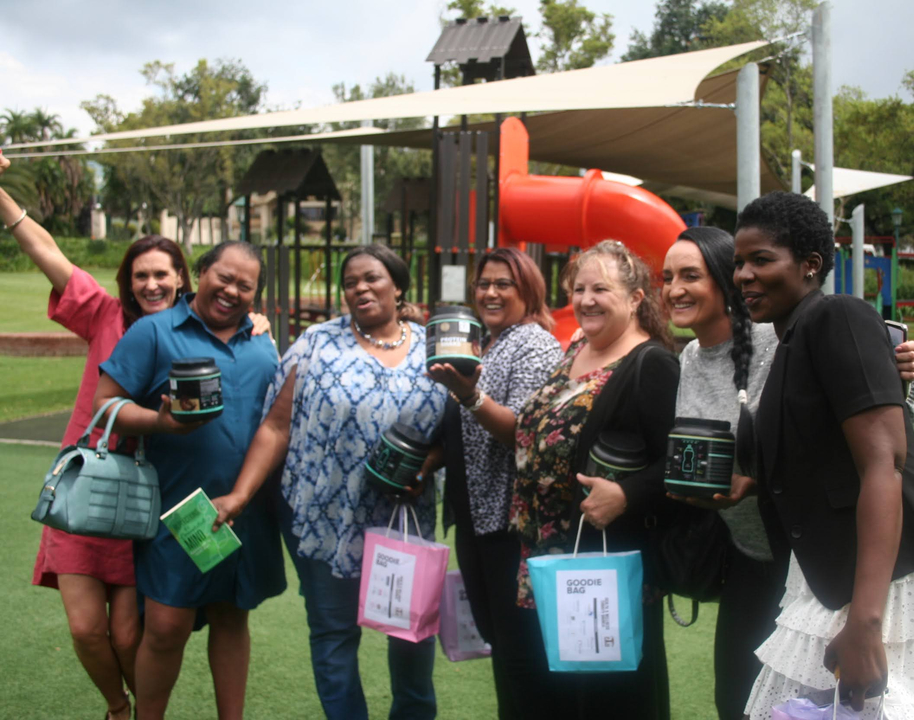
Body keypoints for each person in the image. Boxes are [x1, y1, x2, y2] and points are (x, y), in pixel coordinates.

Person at [2, 151, 258, 720]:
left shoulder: (201, 329)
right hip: (90, 482)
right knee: (86, 628)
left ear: (182, 278)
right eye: (140, 275)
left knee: (129, 632)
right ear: (127, 281)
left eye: (162, 274)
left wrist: (253, 322)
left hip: (151, 493)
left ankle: (143, 709)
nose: (151, 283)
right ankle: (120, 708)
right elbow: (45, 251)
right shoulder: (104, 314)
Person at [731, 192, 914, 719]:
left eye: (761, 259)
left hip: (897, 582)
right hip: (838, 578)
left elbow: (884, 462)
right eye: (738, 262)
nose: (743, 275)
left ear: (810, 265)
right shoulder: (790, 342)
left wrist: (866, 623)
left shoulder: (836, 317)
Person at [660, 227, 914, 720]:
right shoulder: (690, 358)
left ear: (726, 279)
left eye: (690, 275)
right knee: (735, 702)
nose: (675, 289)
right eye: (667, 277)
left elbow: (881, 425)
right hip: (748, 555)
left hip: (811, 560)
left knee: (808, 704)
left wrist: (899, 373)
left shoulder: (782, 337)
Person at [213, 244, 447, 720]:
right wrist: (241, 493)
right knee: (333, 634)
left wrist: (426, 466)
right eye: (350, 282)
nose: (360, 288)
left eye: (372, 278)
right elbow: (276, 427)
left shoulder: (435, 349)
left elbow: (456, 431)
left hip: (403, 517)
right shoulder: (317, 343)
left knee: (410, 635)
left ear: (398, 286)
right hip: (323, 518)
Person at [92, 241, 286, 720]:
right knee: (166, 625)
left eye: (245, 285)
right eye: (224, 277)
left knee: (231, 616)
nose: (231, 291)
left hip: (245, 506)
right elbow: (105, 404)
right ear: (199, 272)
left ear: (256, 293)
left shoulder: (262, 341)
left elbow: (276, 422)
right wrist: (160, 423)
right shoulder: (154, 332)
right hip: (178, 507)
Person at [509, 240, 680, 720]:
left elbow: (680, 462)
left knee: (609, 701)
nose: (586, 300)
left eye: (600, 289)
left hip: (604, 569)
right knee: (551, 699)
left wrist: (627, 494)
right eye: (579, 289)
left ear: (635, 298)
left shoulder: (651, 364)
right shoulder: (576, 349)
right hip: (546, 560)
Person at [427, 248, 563, 719]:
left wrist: (469, 395)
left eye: (504, 283)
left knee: (523, 655)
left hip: (512, 527)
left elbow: (523, 432)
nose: (490, 292)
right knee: (501, 646)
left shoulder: (535, 344)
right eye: (483, 283)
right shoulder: (483, 344)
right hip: (476, 523)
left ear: (529, 290)